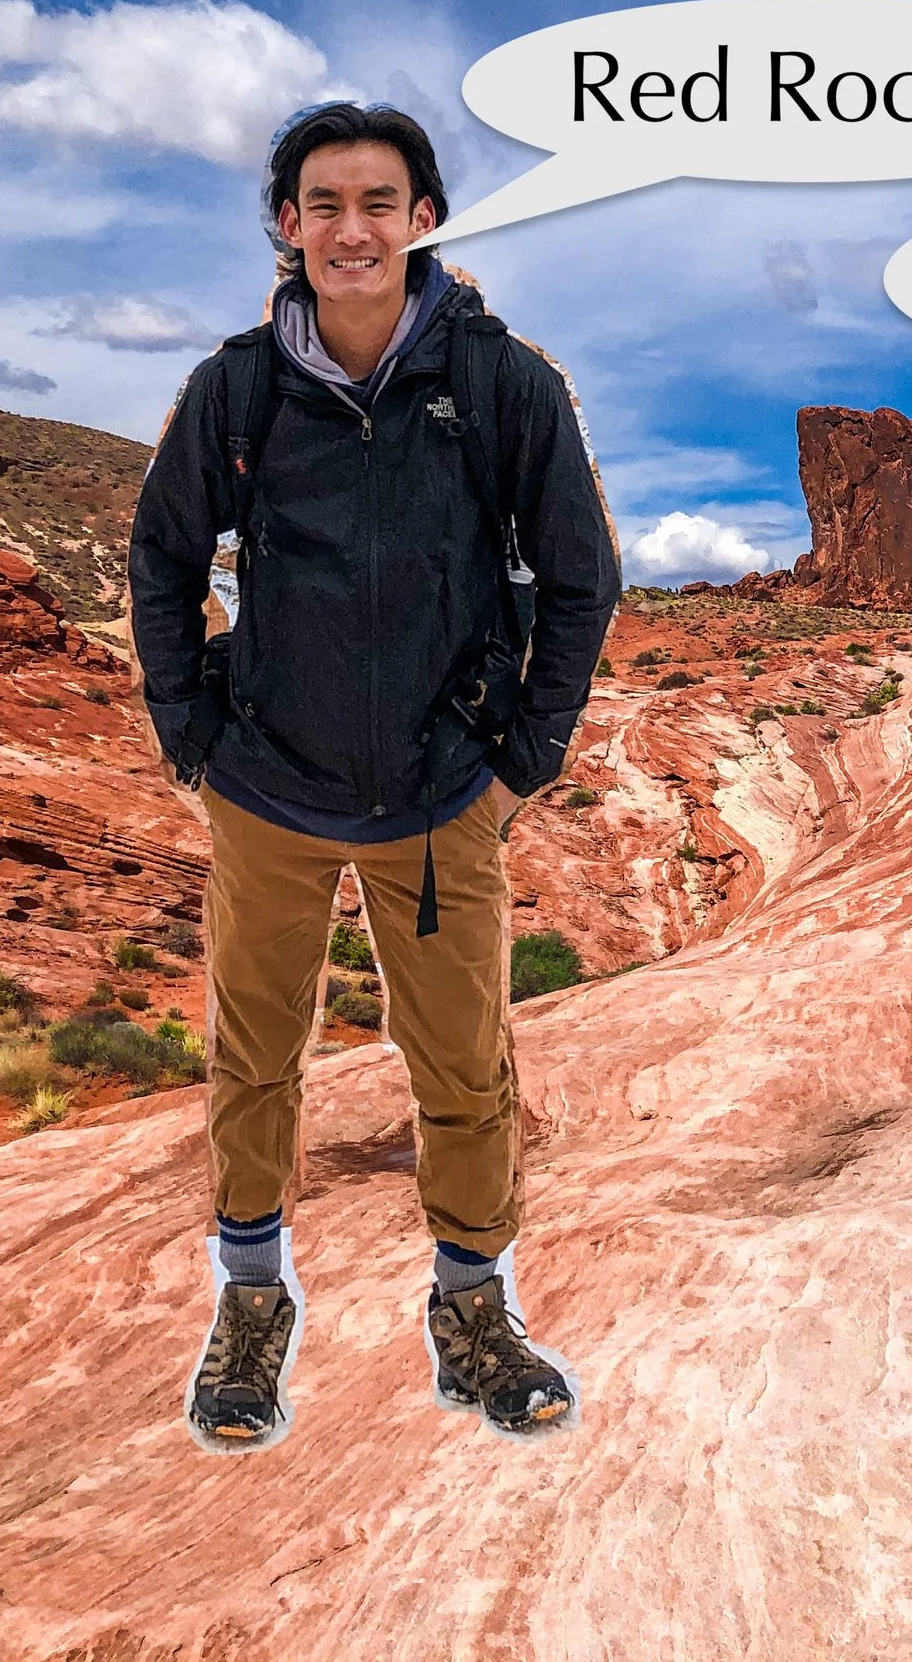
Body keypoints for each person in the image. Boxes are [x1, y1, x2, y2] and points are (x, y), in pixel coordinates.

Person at [130, 102, 623, 1448]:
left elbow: (582, 577)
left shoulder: (502, 382)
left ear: (424, 220)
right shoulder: (239, 386)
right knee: (255, 1058)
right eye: (325, 204)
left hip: (437, 791)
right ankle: (250, 1306)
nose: (353, 229)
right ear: (286, 226)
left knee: (465, 1064)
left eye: (379, 202)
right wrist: (191, 734)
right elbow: (165, 557)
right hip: (269, 787)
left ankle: (473, 1315)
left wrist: (522, 758)